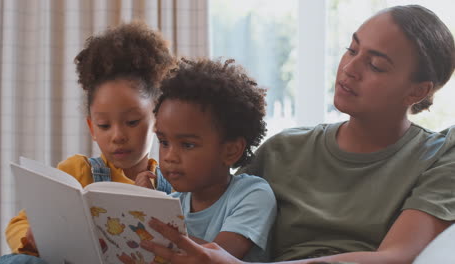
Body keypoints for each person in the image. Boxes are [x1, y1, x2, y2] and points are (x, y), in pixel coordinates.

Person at [140, 5, 455, 264]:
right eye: (352, 49)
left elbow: (397, 256)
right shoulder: (283, 150)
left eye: (375, 65)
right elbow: (207, 191)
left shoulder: (440, 155)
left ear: (418, 90)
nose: (349, 68)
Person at [0, 21, 175, 264]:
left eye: (132, 122)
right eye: (104, 125)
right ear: (92, 127)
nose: (117, 136)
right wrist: (33, 236)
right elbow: (19, 224)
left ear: (156, 119)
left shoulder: (174, 183)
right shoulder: (77, 171)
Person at [150, 57, 277, 261]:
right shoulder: (172, 205)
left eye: (187, 144)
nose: (169, 156)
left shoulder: (252, 195)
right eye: (164, 142)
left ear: (231, 151)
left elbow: (218, 257)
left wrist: (153, 233)